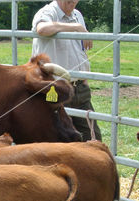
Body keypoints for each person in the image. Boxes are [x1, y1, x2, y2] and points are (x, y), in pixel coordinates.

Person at [32, 0, 101, 141]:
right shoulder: (48, 12)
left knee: (93, 139)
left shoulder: (77, 15)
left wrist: (84, 80)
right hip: (57, 90)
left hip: (79, 89)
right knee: (62, 140)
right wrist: (75, 27)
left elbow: (80, 50)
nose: (73, 0)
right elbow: (42, 29)